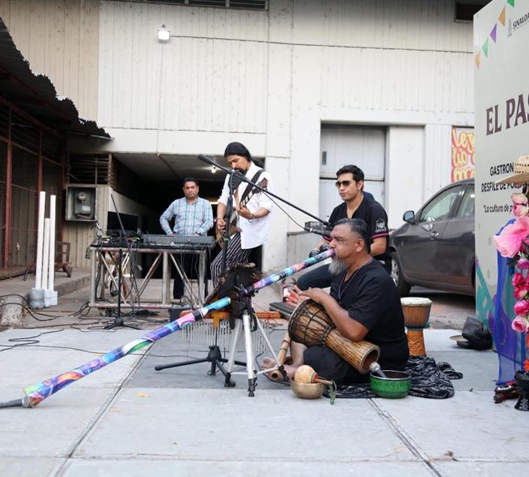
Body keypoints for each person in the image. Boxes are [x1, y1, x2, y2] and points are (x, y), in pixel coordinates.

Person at [264, 218, 408, 384]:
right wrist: (307, 307)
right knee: (300, 327)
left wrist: (324, 298)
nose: (331, 244)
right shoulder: (342, 270)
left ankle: (297, 369)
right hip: (344, 344)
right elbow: (334, 317)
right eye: (332, 239)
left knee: (318, 357)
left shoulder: (376, 280)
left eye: (339, 240)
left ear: (359, 245)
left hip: (377, 357)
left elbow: (354, 332)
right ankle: (298, 365)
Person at [297, 165, 390, 290]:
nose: (341, 188)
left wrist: (347, 254)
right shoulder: (337, 211)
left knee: (340, 290)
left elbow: (380, 246)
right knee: (303, 282)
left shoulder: (375, 209)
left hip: (371, 265)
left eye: (346, 183)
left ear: (359, 185)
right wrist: (316, 249)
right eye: (338, 184)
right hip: (344, 265)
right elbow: (326, 240)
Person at [211, 141, 273, 288]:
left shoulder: (262, 177)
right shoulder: (231, 176)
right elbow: (223, 200)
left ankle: (219, 306)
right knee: (235, 275)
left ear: (246, 156)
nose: (233, 165)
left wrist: (251, 215)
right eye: (230, 162)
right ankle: (233, 306)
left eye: (235, 161)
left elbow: (266, 206)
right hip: (235, 228)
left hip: (249, 231)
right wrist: (219, 219)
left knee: (217, 267)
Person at [160, 177, 214, 300]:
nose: (190, 190)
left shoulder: (205, 204)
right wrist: (169, 233)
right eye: (187, 188)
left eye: (192, 187)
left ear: (197, 189)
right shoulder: (176, 203)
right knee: (179, 272)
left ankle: (204, 299)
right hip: (180, 243)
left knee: (201, 273)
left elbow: (210, 221)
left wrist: (198, 233)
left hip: (200, 244)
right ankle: (178, 299)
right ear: (183, 190)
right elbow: (163, 218)